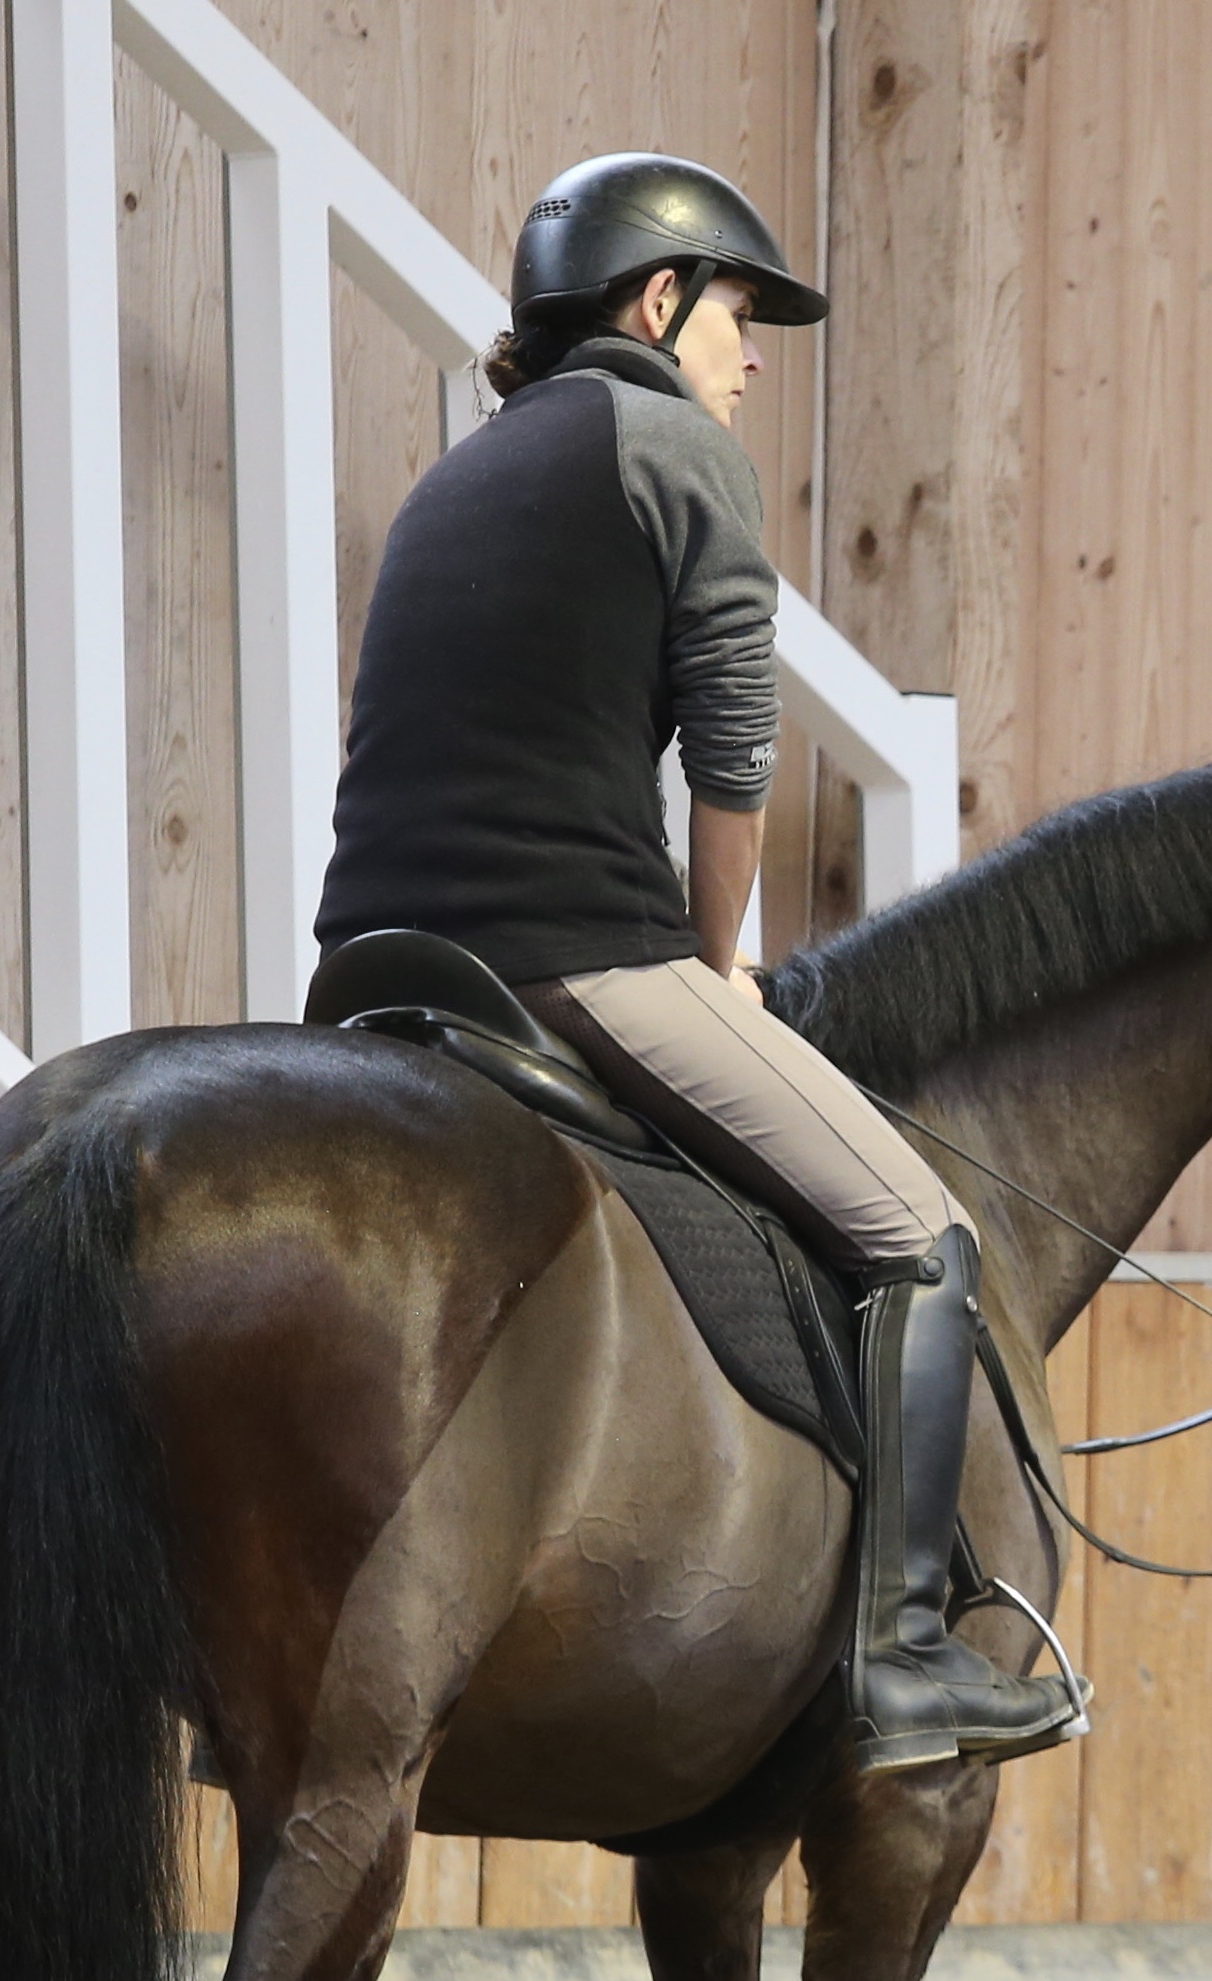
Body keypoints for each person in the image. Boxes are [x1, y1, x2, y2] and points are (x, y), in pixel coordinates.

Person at [312, 152, 1079, 1773]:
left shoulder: (456, 475)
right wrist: (720, 963)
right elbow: (736, 762)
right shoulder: (680, 453)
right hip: (574, 960)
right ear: (657, 303)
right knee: (923, 1233)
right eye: (737, 315)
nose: (746, 358)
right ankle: (901, 1657)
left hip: (377, 962)